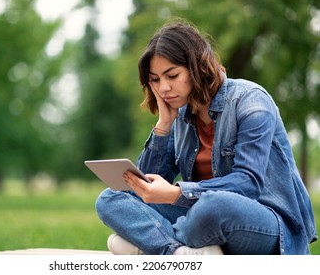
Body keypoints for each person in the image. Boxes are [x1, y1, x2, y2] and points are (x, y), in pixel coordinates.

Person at [95, 19, 317, 255]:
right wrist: (163, 126)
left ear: (197, 67)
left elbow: (248, 183)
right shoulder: (180, 114)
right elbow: (148, 185)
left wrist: (177, 194)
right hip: (200, 220)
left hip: (262, 223)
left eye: (172, 75)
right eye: (156, 80)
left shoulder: (251, 100)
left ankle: (149, 244)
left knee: (214, 204)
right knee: (111, 198)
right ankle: (178, 253)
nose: (164, 89)